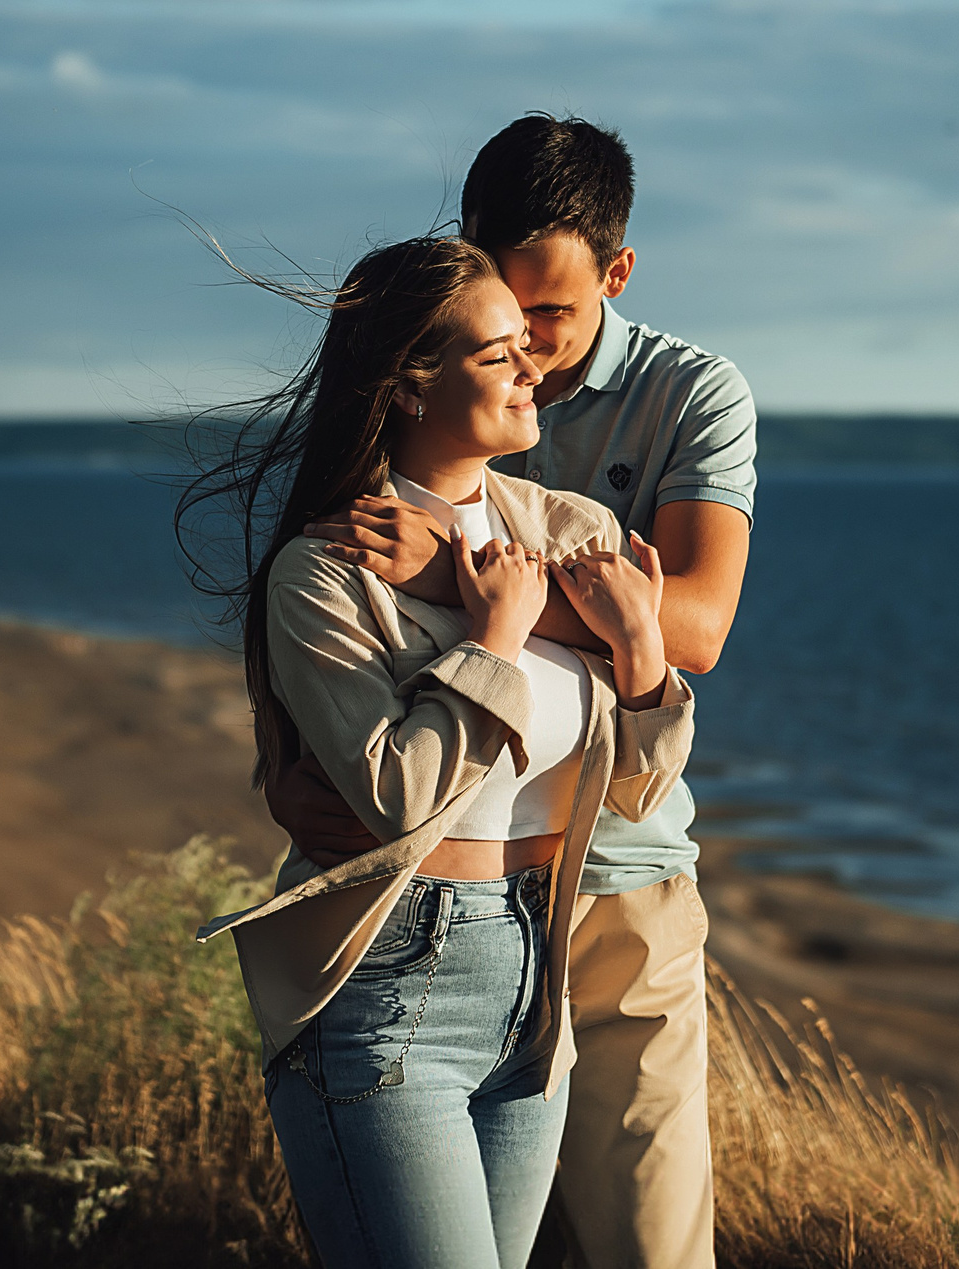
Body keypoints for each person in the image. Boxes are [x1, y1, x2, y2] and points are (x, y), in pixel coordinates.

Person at [279, 116, 755, 1269]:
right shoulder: (355, 522)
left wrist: (471, 582)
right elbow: (341, 688)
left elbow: (690, 634)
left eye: (548, 314)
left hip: (613, 882)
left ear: (617, 273)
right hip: (415, 938)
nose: (529, 350)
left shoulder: (675, 406)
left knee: (650, 1246)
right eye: (502, 320)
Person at [187, 233, 700, 1269]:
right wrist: (495, 635)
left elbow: (637, 788)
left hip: (536, 985)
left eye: (528, 345)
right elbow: (401, 795)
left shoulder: (575, 532)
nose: (532, 367)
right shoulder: (324, 572)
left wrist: (643, 653)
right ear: (411, 385)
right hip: (387, 990)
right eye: (497, 353)